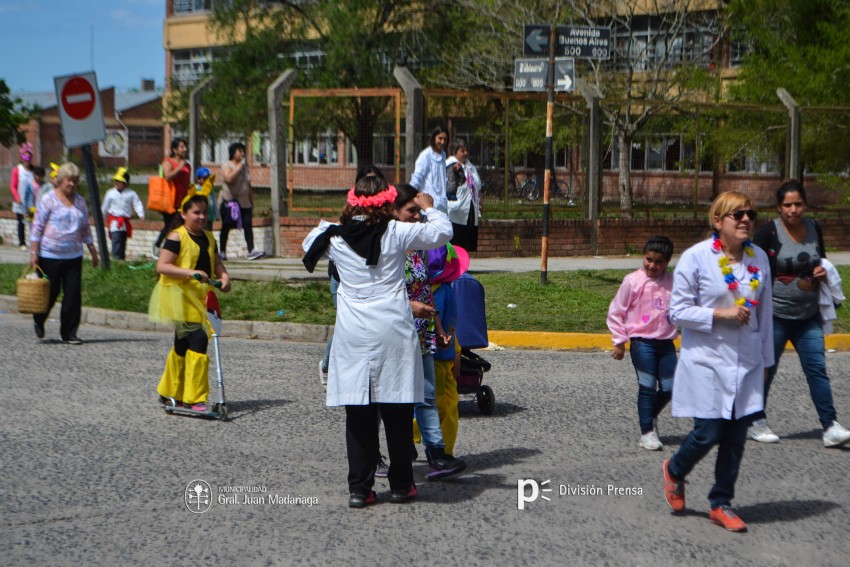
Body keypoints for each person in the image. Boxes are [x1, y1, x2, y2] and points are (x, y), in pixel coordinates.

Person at [302, 176, 452, 508]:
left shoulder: (335, 237)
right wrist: (429, 208)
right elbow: (442, 232)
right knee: (398, 410)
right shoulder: (396, 232)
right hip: (392, 328)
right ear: (385, 202)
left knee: (359, 414)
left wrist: (331, 224)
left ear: (352, 202)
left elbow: (308, 242)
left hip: (353, 333)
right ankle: (401, 485)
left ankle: (360, 489)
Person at [662, 191, 773, 533]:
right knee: (708, 432)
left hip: (746, 360)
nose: (746, 220)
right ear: (717, 220)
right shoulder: (696, 258)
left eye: (750, 214)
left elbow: (765, 314)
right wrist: (720, 313)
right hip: (706, 359)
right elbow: (677, 312)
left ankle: (721, 503)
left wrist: (766, 361)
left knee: (736, 437)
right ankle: (675, 470)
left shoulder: (759, 258)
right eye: (737, 214)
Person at [749, 180, 850, 447]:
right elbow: (752, 265)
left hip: (808, 316)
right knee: (767, 369)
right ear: (778, 207)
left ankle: (830, 425)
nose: (793, 210)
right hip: (775, 316)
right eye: (787, 205)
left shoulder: (814, 227)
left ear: (805, 204)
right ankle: (755, 421)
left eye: (798, 204)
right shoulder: (769, 232)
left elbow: (821, 259)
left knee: (817, 370)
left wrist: (821, 272)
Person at [394, 184, 467, 480]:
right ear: (393, 212)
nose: (416, 217)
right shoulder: (389, 247)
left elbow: (425, 291)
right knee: (396, 398)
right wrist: (409, 308)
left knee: (426, 394)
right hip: (396, 332)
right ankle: (398, 451)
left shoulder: (419, 247)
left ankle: (436, 455)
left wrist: (438, 328)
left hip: (422, 332)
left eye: (418, 211)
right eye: (410, 211)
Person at [149, 194, 231, 411]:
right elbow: (162, 266)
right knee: (199, 340)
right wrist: (190, 272)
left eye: (205, 212)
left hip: (201, 299)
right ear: (184, 214)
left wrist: (224, 278)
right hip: (180, 298)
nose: (202, 217)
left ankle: (169, 392)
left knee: (182, 345)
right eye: (196, 212)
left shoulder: (209, 238)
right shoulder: (177, 237)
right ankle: (194, 398)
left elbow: (217, 262)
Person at [607, 236, 677, 451]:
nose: (652, 265)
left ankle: (649, 415)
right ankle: (647, 432)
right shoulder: (632, 281)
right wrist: (619, 341)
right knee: (647, 387)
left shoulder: (673, 282)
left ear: (667, 262)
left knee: (670, 387)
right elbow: (616, 311)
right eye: (649, 259)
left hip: (666, 343)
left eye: (659, 262)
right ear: (643, 257)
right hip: (641, 343)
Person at [320, 164, 386, 390]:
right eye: (367, 183)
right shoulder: (351, 216)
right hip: (341, 277)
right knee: (345, 323)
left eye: (376, 184)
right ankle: (328, 365)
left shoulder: (385, 224)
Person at [29, 162, 100, 345]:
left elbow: (85, 229)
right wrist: (34, 252)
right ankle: (39, 318)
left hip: (73, 255)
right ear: (60, 180)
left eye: (75, 181)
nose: (72, 184)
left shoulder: (80, 202)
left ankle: (69, 333)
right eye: (69, 180)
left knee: (73, 295)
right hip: (49, 255)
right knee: (51, 292)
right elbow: (37, 227)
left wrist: (93, 251)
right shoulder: (48, 199)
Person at [428, 242, 471, 463]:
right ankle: (438, 447)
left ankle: (444, 448)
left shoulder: (440, 291)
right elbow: (444, 327)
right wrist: (455, 350)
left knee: (445, 404)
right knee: (441, 405)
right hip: (437, 360)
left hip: (441, 359)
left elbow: (450, 327)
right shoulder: (439, 293)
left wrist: (455, 350)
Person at [219, 141, 264, 261]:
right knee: (226, 226)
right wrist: (238, 168)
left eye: (243, 151)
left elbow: (248, 185)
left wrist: (251, 201)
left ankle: (251, 250)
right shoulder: (226, 165)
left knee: (248, 225)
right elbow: (228, 178)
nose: (242, 154)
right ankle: (222, 251)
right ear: (233, 153)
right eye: (240, 151)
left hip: (244, 202)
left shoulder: (245, 168)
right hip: (229, 202)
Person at [153, 137, 191, 258]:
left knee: (181, 226)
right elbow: (168, 176)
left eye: (185, 147)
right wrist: (179, 167)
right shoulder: (168, 162)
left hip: (183, 200)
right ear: (174, 149)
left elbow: (186, 183)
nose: (185, 149)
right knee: (170, 224)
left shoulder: (187, 165)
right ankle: (157, 245)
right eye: (181, 147)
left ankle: (176, 251)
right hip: (169, 199)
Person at [410, 125, 459, 214]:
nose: (442, 142)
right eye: (440, 138)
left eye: (445, 139)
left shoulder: (443, 155)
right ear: (434, 138)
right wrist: (409, 198)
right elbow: (417, 178)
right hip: (427, 208)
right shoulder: (426, 155)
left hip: (442, 206)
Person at [101, 167, 145, 260]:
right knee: (116, 240)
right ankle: (116, 259)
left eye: (119, 181)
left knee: (122, 242)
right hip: (114, 222)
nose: (117, 183)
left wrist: (141, 214)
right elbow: (105, 207)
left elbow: (137, 204)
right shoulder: (110, 193)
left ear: (125, 183)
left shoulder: (131, 194)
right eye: (116, 181)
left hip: (124, 223)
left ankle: (121, 259)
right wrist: (102, 217)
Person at [446, 139, 482, 251]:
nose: (465, 153)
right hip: (456, 211)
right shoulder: (450, 166)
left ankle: (465, 261)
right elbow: (449, 187)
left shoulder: (471, 167)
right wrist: (457, 172)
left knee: (467, 244)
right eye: (462, 151)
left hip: (470, 210)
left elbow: (478, 187)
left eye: (466, 150)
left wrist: (481, 202)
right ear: (455, 151)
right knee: (455, 244)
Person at [10, 143, 35, 249]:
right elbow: (12, 186)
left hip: (31, 202)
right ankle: (22, 243)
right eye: (25, 157)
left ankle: (33, 242)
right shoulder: (17, 170)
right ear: (21, 158)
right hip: (20, 202)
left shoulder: (33, 171)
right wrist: (17, 197)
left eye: (29, 157)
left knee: (31, 222)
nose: (27, 160)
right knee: (21, 222)